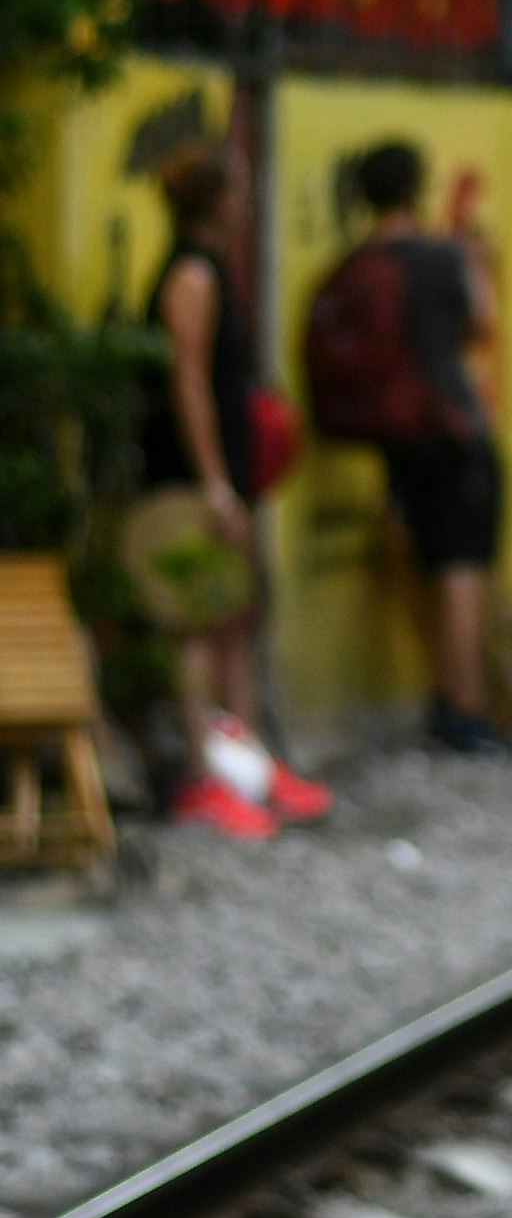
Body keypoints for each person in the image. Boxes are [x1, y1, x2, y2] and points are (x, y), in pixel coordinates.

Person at [137, 143, 331, 837]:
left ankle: (245, 763)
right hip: (192, 482)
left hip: (226, 478)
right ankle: (201, 773)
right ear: (216, 201)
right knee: (196, 622)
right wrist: (214, 482)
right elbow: (187, 381)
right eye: (239, 191)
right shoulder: (191, 274)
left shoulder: (215, 269)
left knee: (233, 619)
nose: (247, 203)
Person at [352, 141, 506, 756]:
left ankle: (445, 700)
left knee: (429, 561)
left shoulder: (361, 262)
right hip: (450, 424)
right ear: (415, 189)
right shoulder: (442, 258)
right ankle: (462, 707)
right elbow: (483, 326)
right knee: (461, 568)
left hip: (395, 434)